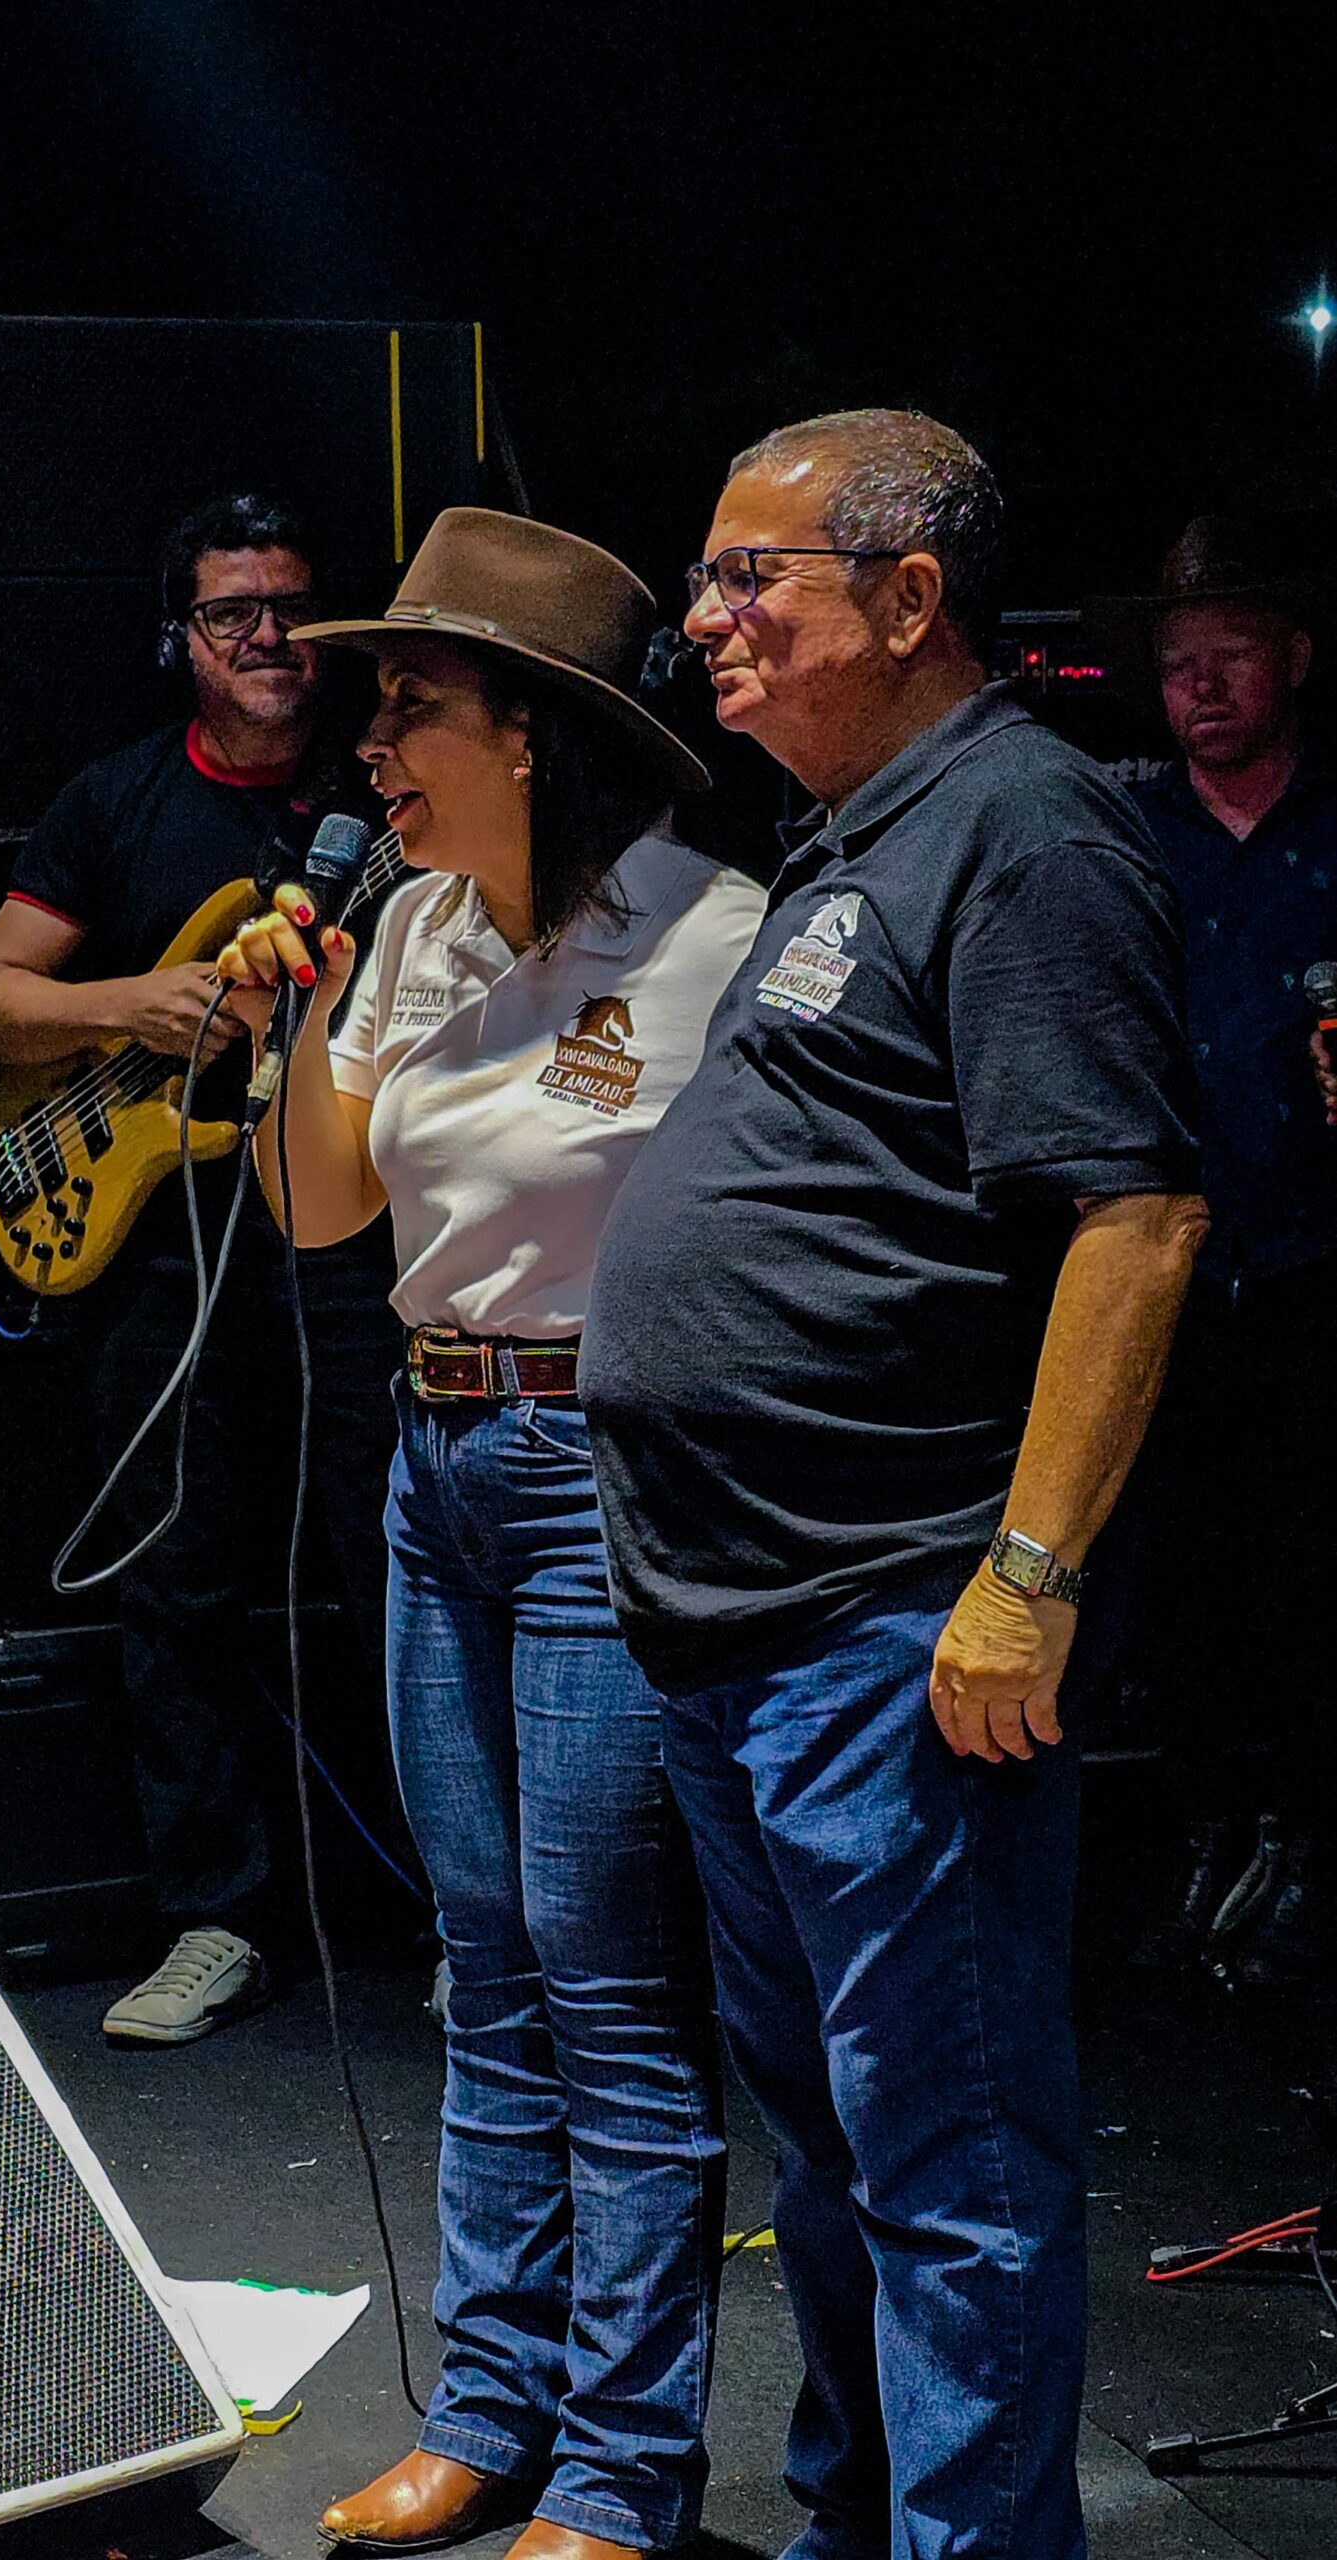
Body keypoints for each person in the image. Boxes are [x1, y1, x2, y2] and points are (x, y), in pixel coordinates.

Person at [577, 412, 1208, 2560]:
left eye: (749, 575)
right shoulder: (861, 835)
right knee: (843, 2151)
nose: (705, 617)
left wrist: (1026, 1575)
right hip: (744, 1626)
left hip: (888, 1619)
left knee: (949, 2162)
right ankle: (861, 2526)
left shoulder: (1024, 829)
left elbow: (1135, 1219)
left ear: (911, 597)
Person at [216, 508, 764, 2560]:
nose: (368, 744)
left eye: (411, 705)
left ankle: (619, 2464)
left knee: (604, 1978)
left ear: (529, 728)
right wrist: (292, 1011)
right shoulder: (413, 929)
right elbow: (318, 1210)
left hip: (603, 1465)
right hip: (433, 1462)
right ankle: (486, 2406)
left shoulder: (711, 934)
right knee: (483, 1962)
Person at [0, 491, 404, 2044]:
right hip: (172, 1248)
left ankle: (465, 1921)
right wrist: (137, 1006)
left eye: (293, 608)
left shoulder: (386, 787)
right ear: (182, 638)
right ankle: (218, 1915)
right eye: (231, 614)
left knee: (396, 1561)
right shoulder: (119, 798)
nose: (268, 637)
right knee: (172, 1577)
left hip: (358, 1242)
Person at [1103, 516, 1337, 1987]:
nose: (1201, 686)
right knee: (1178, 1574)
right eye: (1180, 661)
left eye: (1231, 655)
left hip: (1316, 1270)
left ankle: (1301, 1843)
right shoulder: (1123, 832)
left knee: (1308, 1567)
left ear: (1293, 658)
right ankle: (1203, 1830)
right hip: (1164, 1270)